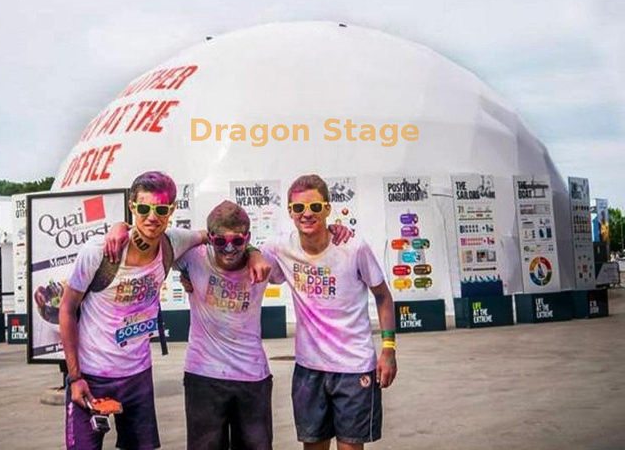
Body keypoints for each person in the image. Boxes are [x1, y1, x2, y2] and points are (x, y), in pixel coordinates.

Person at [59, 171, 270, 450]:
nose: (152, 217)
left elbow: (220, 236)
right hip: (92, 374)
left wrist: (254, 251)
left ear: (171, 210)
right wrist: (75, 377)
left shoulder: (174, 244)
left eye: (160, 209)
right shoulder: (99, 252)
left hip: (138, 376)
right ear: (132, 206)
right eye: (144, 208)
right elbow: (67, 308)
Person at [264, 174, 397, 450]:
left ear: (327, 208)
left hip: (354, 368)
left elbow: (383, 296)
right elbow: (245, 259)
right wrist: (187, 275)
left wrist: (388, 349)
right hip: (308, 369)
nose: (307, 214)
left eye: (315, 207)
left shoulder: (353, 247)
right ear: (290, 212)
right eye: (299, 208)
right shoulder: (280, 248)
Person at [177, 200, 279, 450]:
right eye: (221, 241)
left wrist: (254, 252)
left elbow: (308, 248)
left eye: (238, 241)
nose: (230, 249)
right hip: (204, 376)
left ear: (248, 237)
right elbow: (154, 240)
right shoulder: (192, 257)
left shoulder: (265, 264)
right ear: (210, 238)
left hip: (252, 376)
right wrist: (119, 227)